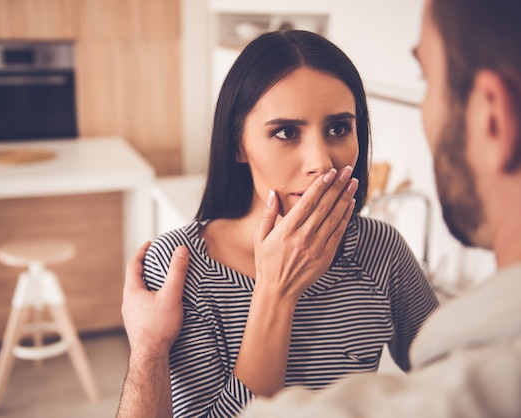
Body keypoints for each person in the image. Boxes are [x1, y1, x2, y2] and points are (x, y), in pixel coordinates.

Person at [118, 0, 521, 416]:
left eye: (338, 128)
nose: (322, 163)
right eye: (286, 132)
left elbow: (457, 381)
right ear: (238, 143)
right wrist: (275, 293)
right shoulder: (181, 268)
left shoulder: (381, 251)